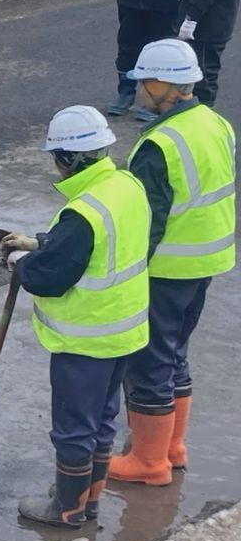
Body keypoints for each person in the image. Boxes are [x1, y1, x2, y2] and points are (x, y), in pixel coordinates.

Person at [2, 106, 150, 529]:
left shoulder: (82, 212)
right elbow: (100, 243)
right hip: (123, 333)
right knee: (101, 421)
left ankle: (65, 509)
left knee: (72, 428)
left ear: (67, 158)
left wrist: (20, 262)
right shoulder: (125, 185)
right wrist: (41, 241)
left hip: (84, 341)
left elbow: (50, 276)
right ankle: (89, 498)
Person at [109, 39, 236, 486]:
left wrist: (123, 275)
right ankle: (171, 447)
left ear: (165, 85)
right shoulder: (215, 123)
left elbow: (147, 222)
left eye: (145, 81)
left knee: (149, 364)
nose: (140, 89)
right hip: (206, 261)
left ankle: (148, 463)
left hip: (166, 270)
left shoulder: (158, 144)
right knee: (175, 354)